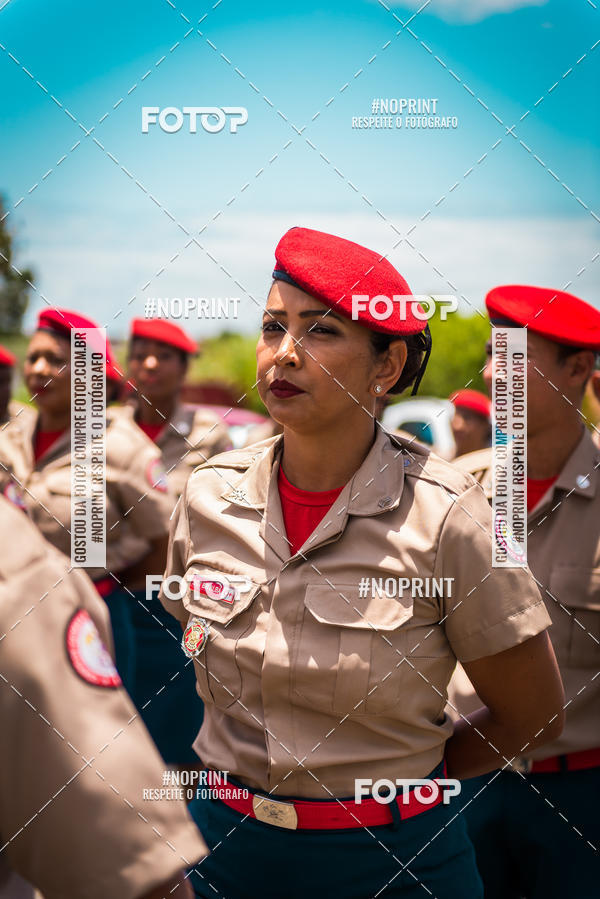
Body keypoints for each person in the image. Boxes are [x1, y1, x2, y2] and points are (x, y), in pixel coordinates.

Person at [160, 227, 564, 899]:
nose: (283, 354)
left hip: (393, 861)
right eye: (272, 326)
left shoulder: (451, 515)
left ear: (385, 365)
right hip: (225, 851)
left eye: (320, 332)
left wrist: (407, 778)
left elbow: (533, 709)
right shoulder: (208, 496)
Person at [449, 284, 600, 899]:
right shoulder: (453, 491)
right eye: (492, 353)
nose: (492, 373)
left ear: (579, 368)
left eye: (516, 356)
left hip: (582, 798)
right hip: (462, 782)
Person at [0, 495, 207, 898]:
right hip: (67, 617)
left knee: (157, 739)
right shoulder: (18, 440)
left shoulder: (111, 448)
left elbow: (161, 539)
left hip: (118, 608)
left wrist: (121, 583)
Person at [0, 308, 174, 693]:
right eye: (33, 357)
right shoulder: (10, 436)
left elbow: (164, 543)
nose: (40, 368)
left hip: (88, 621)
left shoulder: (122, 447)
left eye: (57, 360)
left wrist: (105, 584)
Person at [108, 317, 231, 764]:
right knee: (114, 726)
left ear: (184, 369)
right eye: (139, 354)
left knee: (177, 726)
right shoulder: (104, 429)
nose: (149, 364)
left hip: (176, 603)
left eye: (163, 356)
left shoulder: (206, 434)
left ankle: (176, 823)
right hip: (111, 595)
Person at [449, 388, 491, 458]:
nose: (457, 427)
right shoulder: (441, 460)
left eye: (467, 418)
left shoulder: (498, 462)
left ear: (485, 425)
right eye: (456, 416)